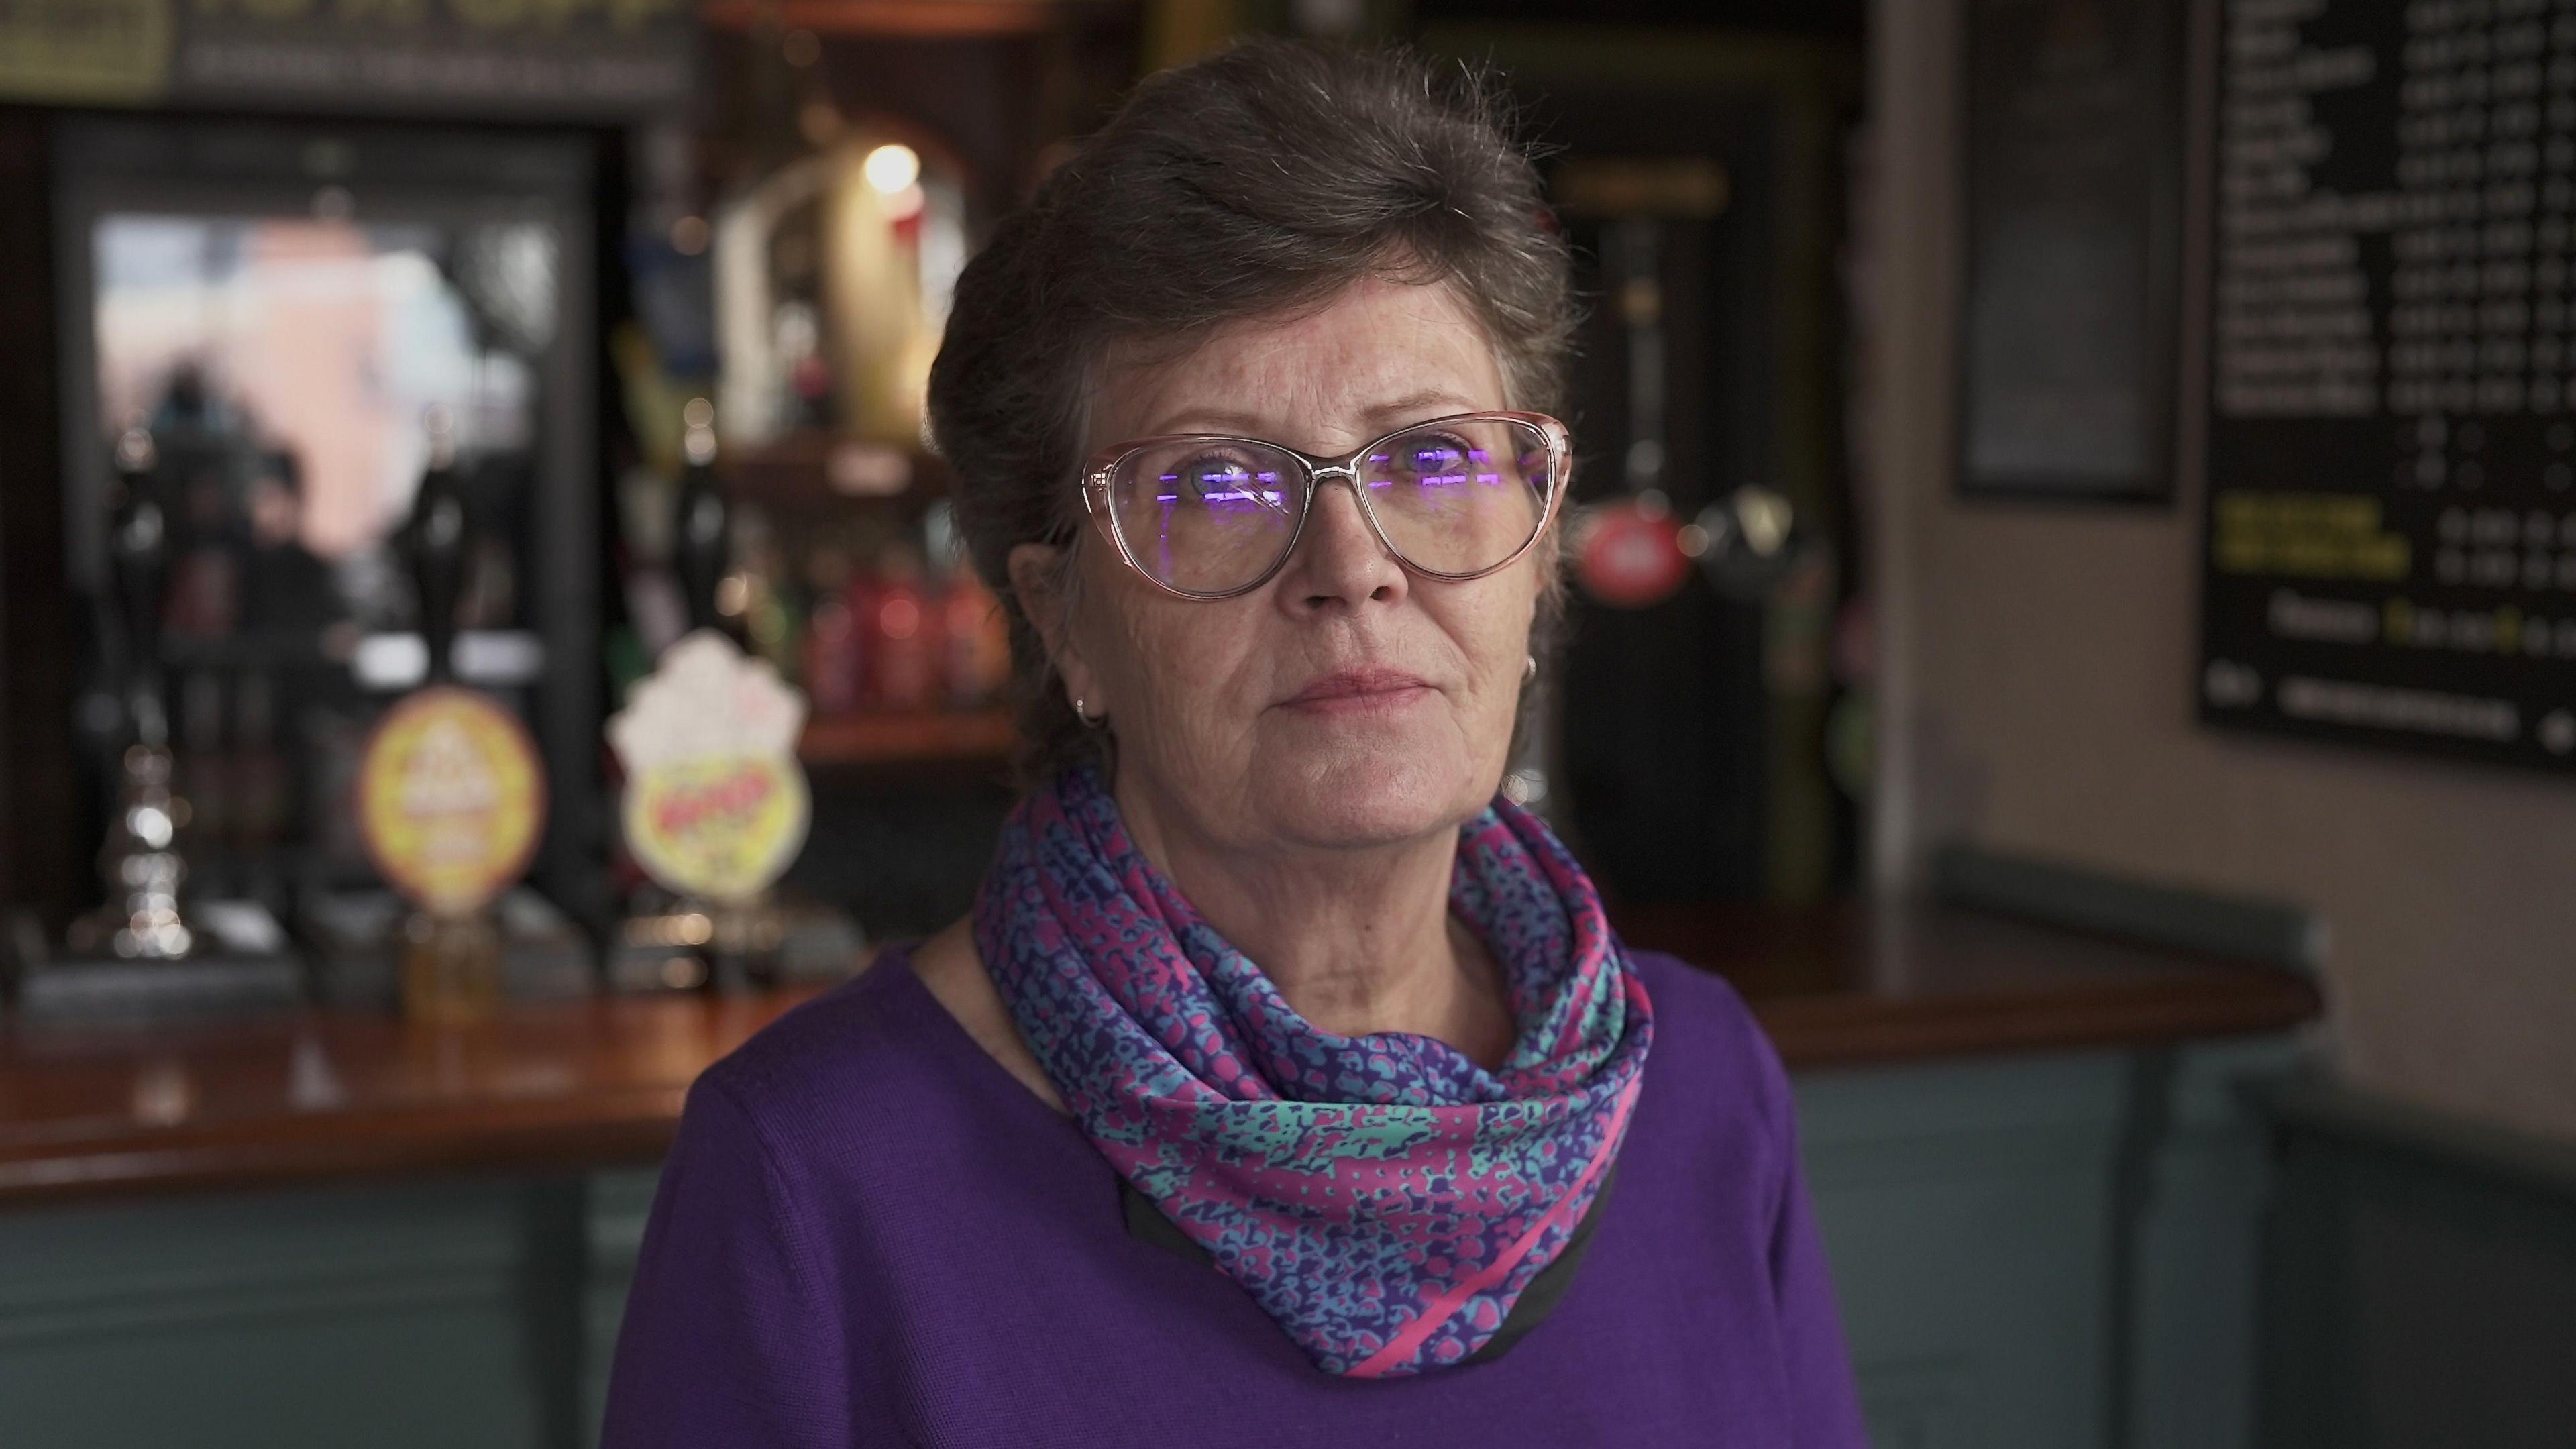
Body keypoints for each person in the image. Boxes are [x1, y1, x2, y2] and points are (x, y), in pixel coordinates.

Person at [603, 39, 1868, 1446]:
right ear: (1062, 618)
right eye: (1213, 480)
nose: (1353, 565)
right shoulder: (818, 1176)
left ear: (1540, 556)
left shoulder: (1699, 1087)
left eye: (1435, 458)